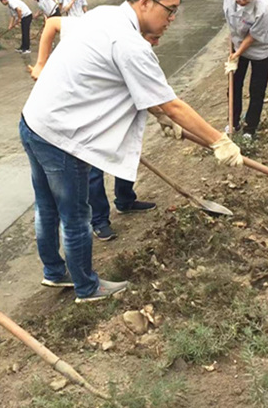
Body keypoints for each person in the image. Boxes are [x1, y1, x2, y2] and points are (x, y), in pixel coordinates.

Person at [20, 0, 245, 303]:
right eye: (170, 11)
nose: (172, 19)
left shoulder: (102, 15)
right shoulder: (130, 43)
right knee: (76, 216)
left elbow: (146, 98)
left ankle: (54, 273)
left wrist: (162, 117)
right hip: (60, 137)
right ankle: (86, 288)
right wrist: (219, 141)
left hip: (34, 122)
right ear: (145, 2)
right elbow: (173, 105)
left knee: (47, 206)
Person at [27, 17, 167, 242]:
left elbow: (145, 91)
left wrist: (162, 116)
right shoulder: (98, 29)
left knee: (128, 149)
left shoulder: (135, 49)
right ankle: (100, 220)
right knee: (92, 168)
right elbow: (52, 23)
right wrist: (41, 63)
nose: (155, 44)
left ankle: (125, 200)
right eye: (152, 38)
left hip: (115, 112)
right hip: (85, 115)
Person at [221, 0, 268, 139]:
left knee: (256, 88)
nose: (242, 1)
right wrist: (234, 47)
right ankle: (233, 121)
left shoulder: (263, 5)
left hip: (261, 45)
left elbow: (254, 36)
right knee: (234, 83)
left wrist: (237, 53)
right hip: (238, 40)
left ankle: (250, 128)